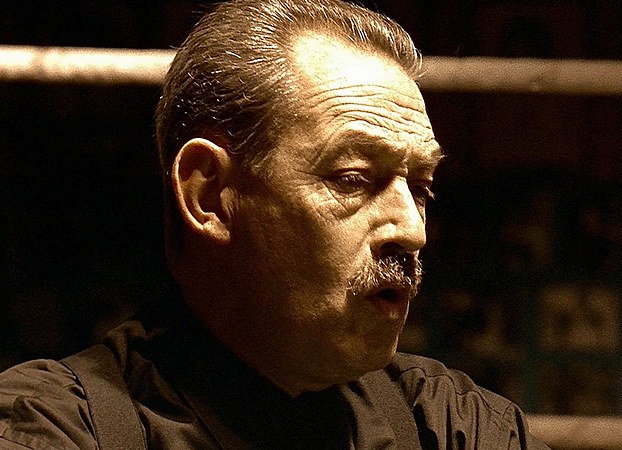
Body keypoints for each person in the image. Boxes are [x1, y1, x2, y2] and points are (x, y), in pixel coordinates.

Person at [0, 0, 550, 448]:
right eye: (354, 178)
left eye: (421, 187)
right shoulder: (52, 427)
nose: (413, 230)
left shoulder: (452, 425)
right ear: (209, 195)